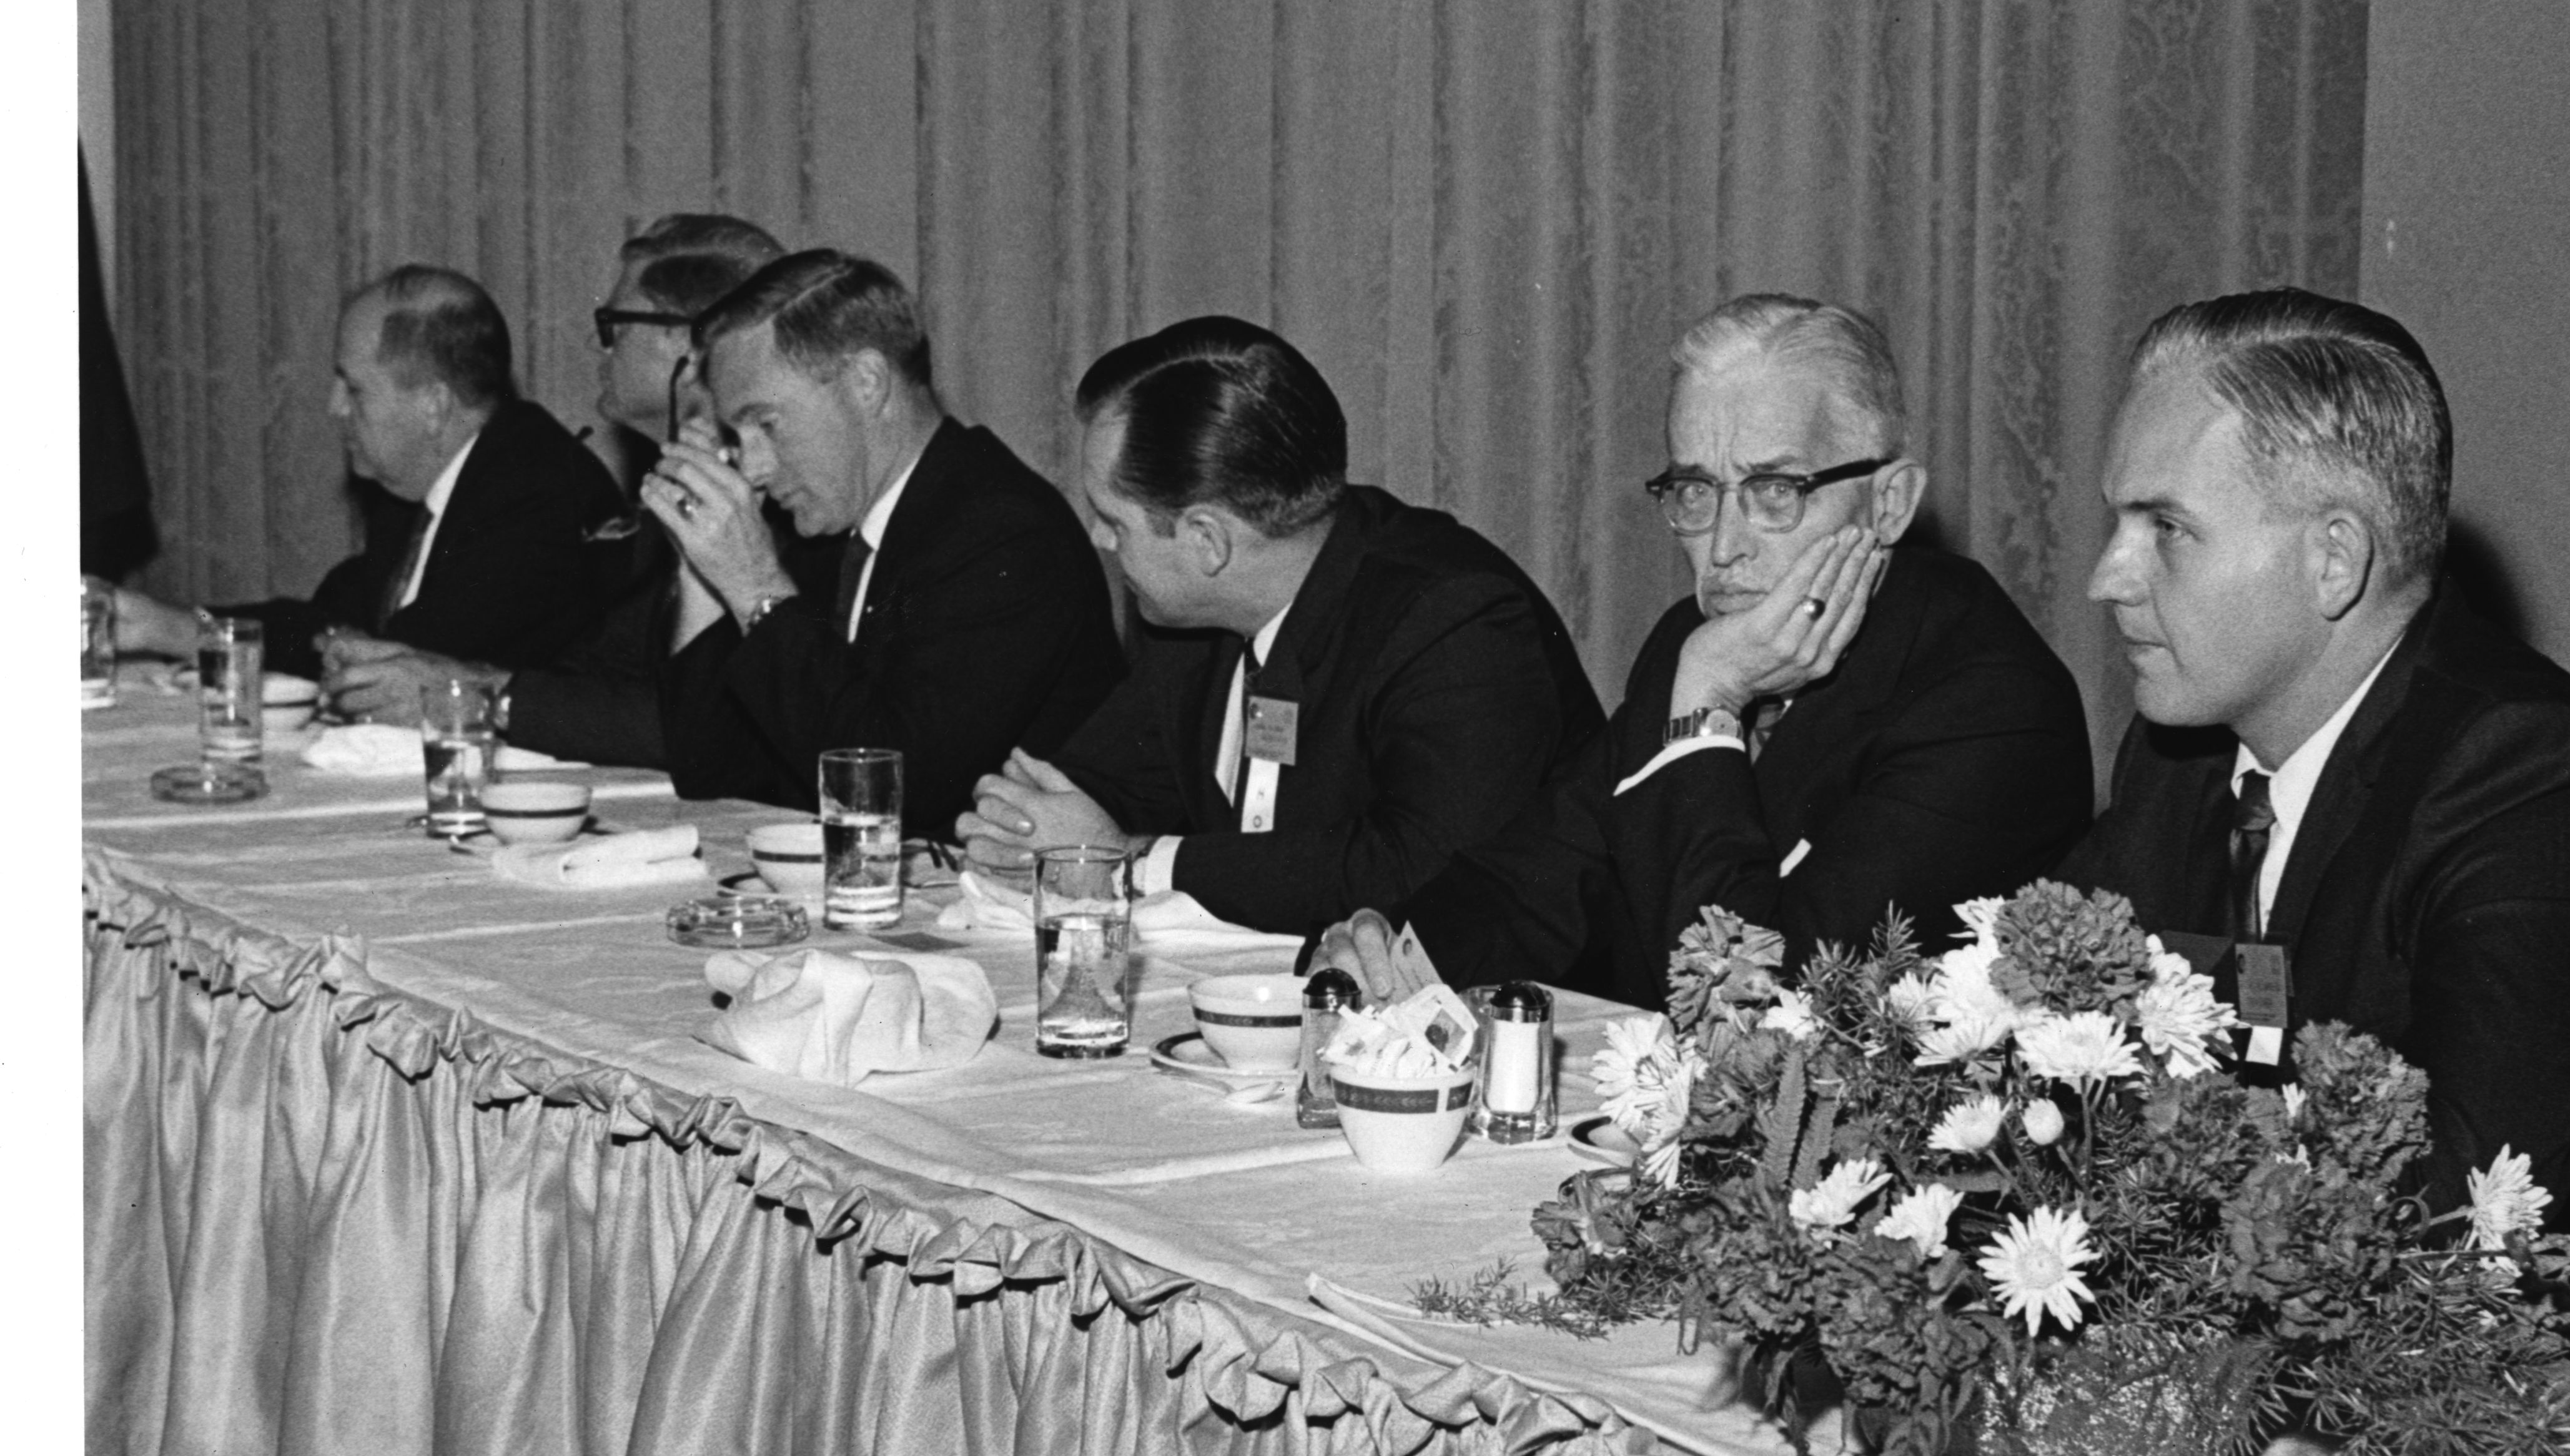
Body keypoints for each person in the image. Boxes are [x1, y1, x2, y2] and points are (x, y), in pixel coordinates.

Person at [2056, 285, 2570, 1270]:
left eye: (2166, 528)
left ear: (2333, 560)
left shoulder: (2529, 783)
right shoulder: (2177, 755)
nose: (2107, 577)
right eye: (2119, 522)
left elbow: (2455, 1219)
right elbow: (2044, 1052)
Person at [1312, 293, 2094, 1008]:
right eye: (1695, 491)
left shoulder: (1991, 706)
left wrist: (1706, 709)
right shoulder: (1693, 647)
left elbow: (1755, 1009)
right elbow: (1546, 873)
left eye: (1775, 491)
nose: (1722, 548)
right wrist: (1391, 956)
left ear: (1888, 504)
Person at [957, 315, 1604, 937]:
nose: (1100, 540)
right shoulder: (1188, 617)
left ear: (1208, 541)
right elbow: (1103, 785)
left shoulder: (1457, 621)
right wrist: (1021, 825)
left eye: (1113, 521)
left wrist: (1138, 862)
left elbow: (1418, 870)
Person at [320, 214, 824, 766]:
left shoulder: (787, 507)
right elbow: (596, 672)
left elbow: (692, 724)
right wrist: (474, 684)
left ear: (688, 342)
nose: (599, 346)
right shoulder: (669, 493)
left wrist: (483, 693)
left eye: (614, 326)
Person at [651, 248, 1121, 835]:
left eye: (767, 424)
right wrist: (702, 569)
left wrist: (756, 588)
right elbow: (710, 774)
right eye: (737, 435)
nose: (753, 468)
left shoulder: (1004, 534)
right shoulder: (830, 529)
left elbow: (895, 789)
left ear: (867, 383)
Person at [106, 265, 625, 681]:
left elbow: (393, 662)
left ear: (433, 406)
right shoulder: (419, 486)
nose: (334, 407)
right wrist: (163, 626)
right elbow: (328, 621)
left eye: (353, 389)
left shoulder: (536, 497)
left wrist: (188, 633)